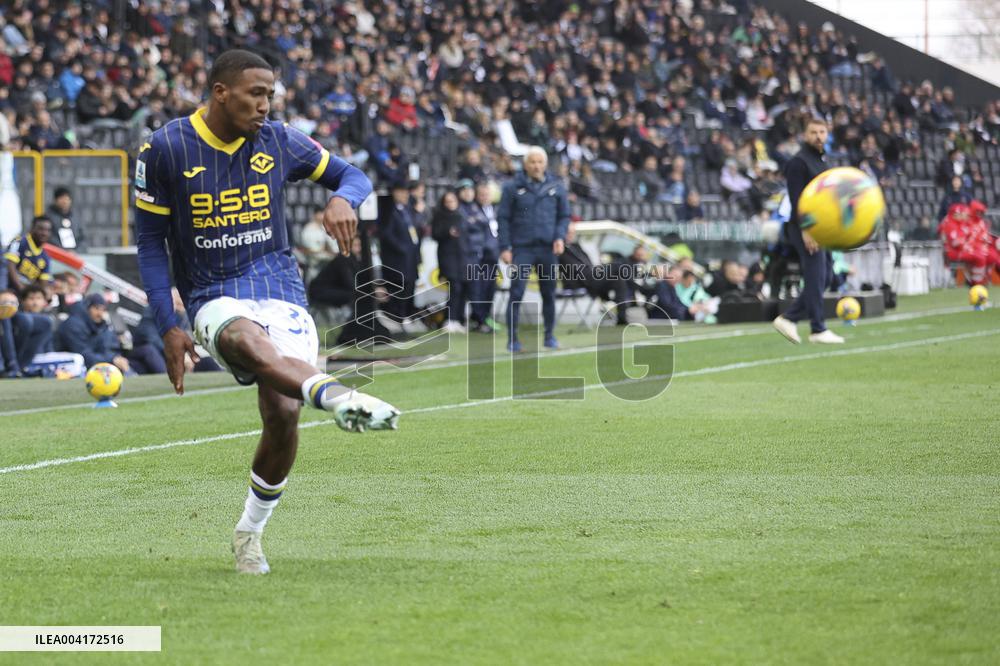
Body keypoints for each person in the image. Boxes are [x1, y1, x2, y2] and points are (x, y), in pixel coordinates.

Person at [134, 50, 399, 576]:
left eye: (270, 96)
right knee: (245, 340)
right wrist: (168, 323)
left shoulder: (279, 140)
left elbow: (352, 175)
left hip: (278, 287)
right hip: (211, 291)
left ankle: (249, 533)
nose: (265, 105)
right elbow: (149, 244)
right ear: (221, 93)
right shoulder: (164, 148)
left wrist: (343, 199)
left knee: (283, 415)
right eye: (256, 94)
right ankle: (337, 395)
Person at [773, 118, 844, 344]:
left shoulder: (821, 161)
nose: (818, 136)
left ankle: (790, 318)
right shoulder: (798, 162)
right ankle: (817, 328)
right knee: (814, 276)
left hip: (821, 227)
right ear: (805, 135)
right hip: (804, 227)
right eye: (813, 132)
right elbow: (797, 201)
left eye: (822, 132)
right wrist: (807, 230)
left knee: (826, 276)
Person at [497, 146, 570, 352]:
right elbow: (503, 218)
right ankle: (513, 339)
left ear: (545, 164)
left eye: (540, 162)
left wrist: (559, 237)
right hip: (522, 249)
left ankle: (549, 336)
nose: (536, 166)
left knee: (549, 293)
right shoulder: (511, 187)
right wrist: (505, 247)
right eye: (532, 162)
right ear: (525, 165)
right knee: (516, 293)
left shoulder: (556, 186)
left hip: (548, 248)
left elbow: (564, 216)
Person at [378, 180, 422, 323]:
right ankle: (396, 316)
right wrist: (401, 247)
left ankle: (407, 314)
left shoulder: (407, 209)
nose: (405, 195)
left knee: (410, 285)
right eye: (402, 192)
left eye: (406, 192)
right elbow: (386, 233)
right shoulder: (388, 210)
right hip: (397, 258)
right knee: (399, 287)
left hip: (411, 256)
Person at [464, 182, 501, 333]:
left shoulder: (495, 210)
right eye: (482, 194)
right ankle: (479, 319)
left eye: (487, 194)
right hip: (480, 257)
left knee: (490, 289)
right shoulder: (473, 210)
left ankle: (485, 317)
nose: (485, 197)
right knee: (478, 290)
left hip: (493, 256)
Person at [431, 189, 469, 332]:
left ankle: (458, 319)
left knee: (462, 288)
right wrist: (448, 232)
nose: (450, 204)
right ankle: (450, 319)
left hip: (462, 257)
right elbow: (435, 234)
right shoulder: (439, 216)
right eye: (447, 202)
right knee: (455, 287)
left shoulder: (461, 215)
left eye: (452, 201)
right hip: (448, 257)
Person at [4, 215, 54, 292]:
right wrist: (22, 290)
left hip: (28, 295)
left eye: (48, 230)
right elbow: (10, 266)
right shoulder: (19, 242)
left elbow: (43, 283)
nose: (44, 233)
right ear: (32, 228)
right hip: (9, 290)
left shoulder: (45, 257)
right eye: (41, 229)